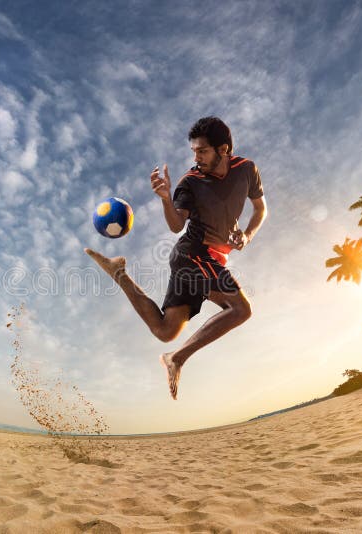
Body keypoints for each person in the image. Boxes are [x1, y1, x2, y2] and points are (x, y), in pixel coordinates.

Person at [85, 116, 268, 399]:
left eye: (202, 151)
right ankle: (177, 358)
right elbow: (175, 225)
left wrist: (247, 235)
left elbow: (260, 210)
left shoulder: (247, 169)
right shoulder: (190, 182)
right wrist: (165, 198)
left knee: (165, 330)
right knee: (241, 309)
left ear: (224, 149)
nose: (196, 157)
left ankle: (119, 273)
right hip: (192, 253)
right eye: (193, 151)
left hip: (210, 260)